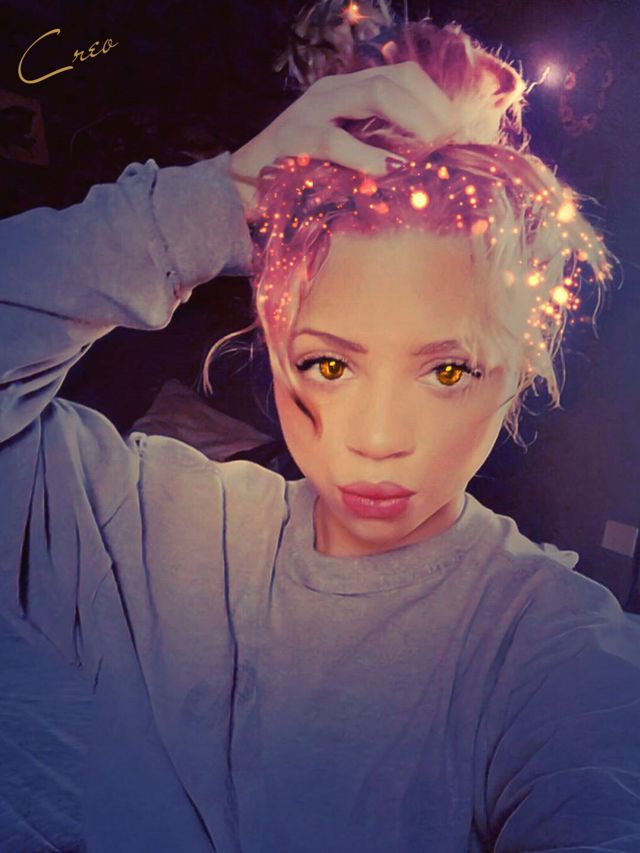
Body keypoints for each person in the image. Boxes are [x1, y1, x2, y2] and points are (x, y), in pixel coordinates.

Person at [1, 2, 639, 851]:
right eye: (329, 364)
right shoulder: (151, 523)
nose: (378, 439)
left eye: (448, 371)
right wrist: (213, 203)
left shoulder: (550, 652)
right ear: (274, 342)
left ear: (520, 370)